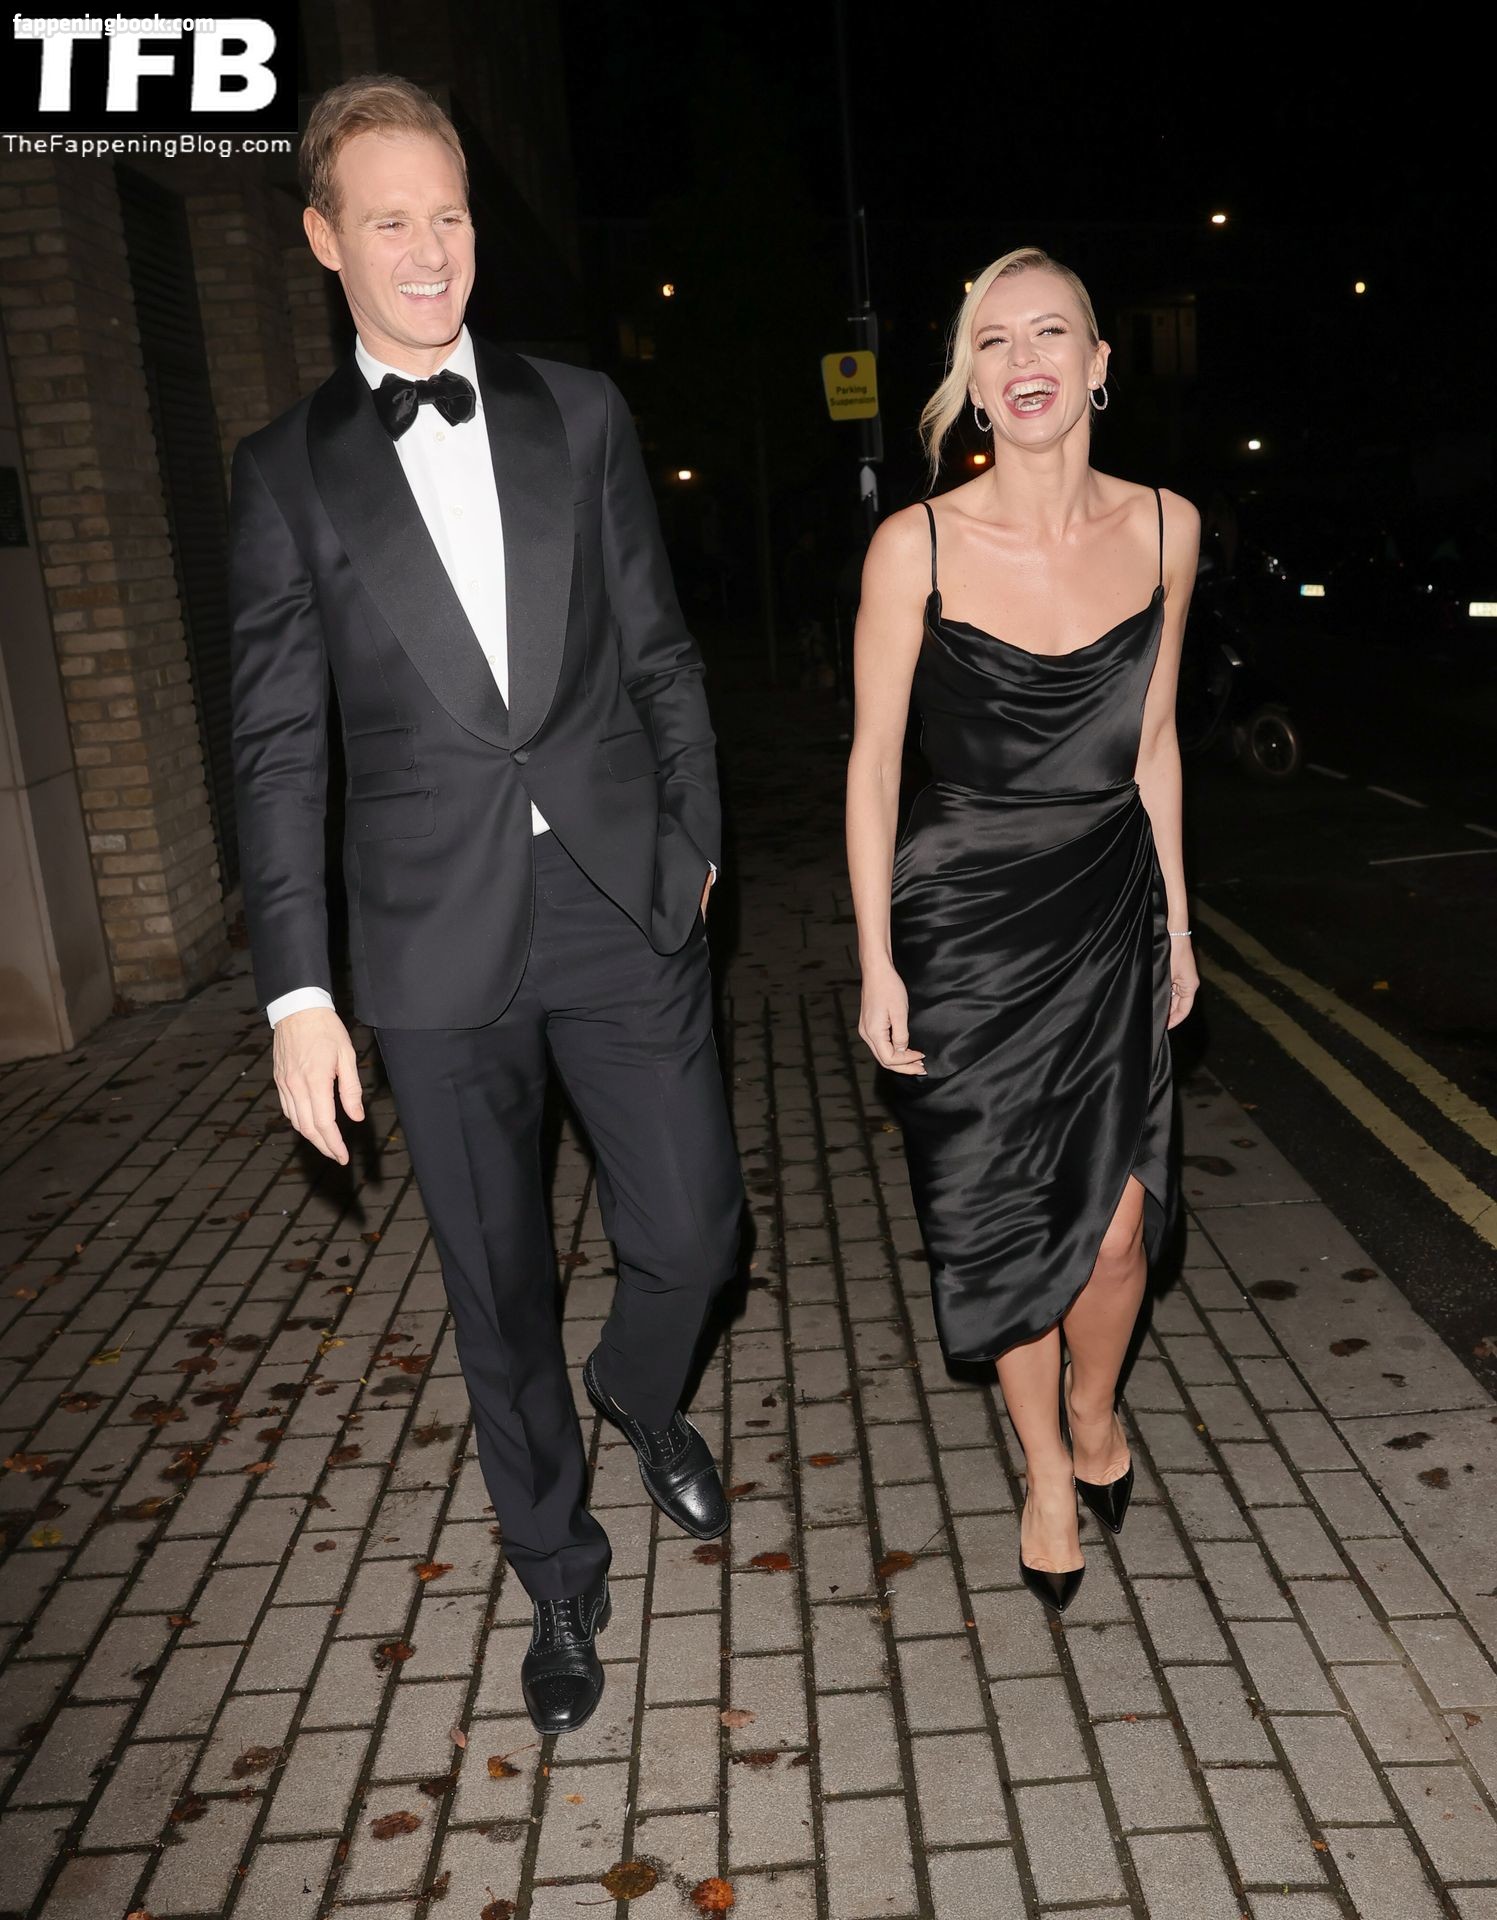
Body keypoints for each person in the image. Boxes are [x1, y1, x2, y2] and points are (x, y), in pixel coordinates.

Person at [227, 75, 744, 1734]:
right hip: (429, 942)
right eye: (389, 219)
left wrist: (694, 838)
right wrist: (297, 992)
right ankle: (557, 1574)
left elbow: (659, 651)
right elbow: (277, 745)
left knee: (695, 1232)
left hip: (616, 890)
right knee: (497, 1288)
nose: (428, 247)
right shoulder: (285, 472)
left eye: (446, 213)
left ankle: (639, 1387)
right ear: (326, 240)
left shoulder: (576, 413)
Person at [846, 247, 1199, 1614]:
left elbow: (1154, 741)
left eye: (1051, 332)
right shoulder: (917, 544)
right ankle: (1047, 1470)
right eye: (993, 341)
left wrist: (1179, 925)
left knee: (1114, 1233)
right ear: (971, 382)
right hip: (963, 920)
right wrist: (876, 956)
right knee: (1004, 1219)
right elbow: (876, 762)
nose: (1025, 358)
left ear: (1100, 364)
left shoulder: (1167, 528)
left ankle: (1094, 1408)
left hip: (1109, 900)